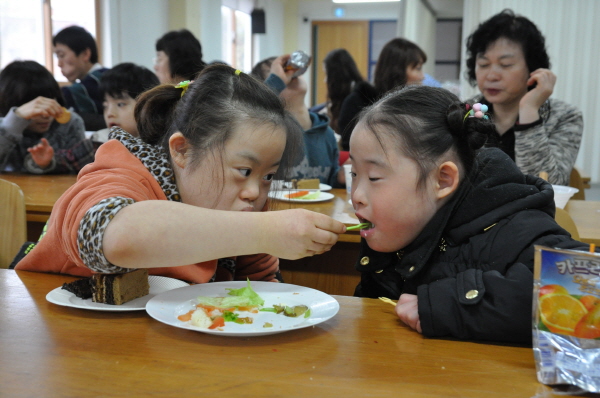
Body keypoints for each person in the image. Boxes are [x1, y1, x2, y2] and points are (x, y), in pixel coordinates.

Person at [16, 65, 346, 284]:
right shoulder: (123, 173)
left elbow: (262, 287)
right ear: (182, 150)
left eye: (268, 176)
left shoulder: (235, 207)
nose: (253, 192)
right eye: (243, 170)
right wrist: (262, 230)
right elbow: (113, 235)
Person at [348, 85, 590, 343]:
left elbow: (583, 289)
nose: (357, 195)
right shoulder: (399, 226)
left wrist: (449, 306)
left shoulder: (515, 227)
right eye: (353, 174)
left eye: (374, 177)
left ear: (442, 180)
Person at [465, 9, 583, 186]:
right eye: (483, 64)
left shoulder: (565, 116)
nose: (491, 76)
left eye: (505, 65)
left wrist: (529, 111)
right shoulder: (467, 111)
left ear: (533, 68)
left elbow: (549, 185)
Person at [24, 63, 160, 174]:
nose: (110, 113)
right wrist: (47, 161)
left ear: (148, 106)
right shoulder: (99, 142)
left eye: (120, 104)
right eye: (106, 106)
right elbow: (68, 160)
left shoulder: (162, 142)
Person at [253, 55, 344, 187]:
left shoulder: (326, 133)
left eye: (291, 70)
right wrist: (275, 82)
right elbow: (251, 111)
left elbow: (327, 184)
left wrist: (340, 177)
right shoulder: (267, 132)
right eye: (279, 73)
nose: (289, 75)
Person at [338, 38, 426, 151]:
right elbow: (350, 151)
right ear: (398, 70)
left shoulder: (414, 105)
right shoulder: (357, 102)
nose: (422, 76)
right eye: (418, 69)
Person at [0, 60, 85, 173]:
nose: (46, 115)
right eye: (35, 106)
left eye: (49, 101)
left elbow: (80, 169)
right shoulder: (4, 123)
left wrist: (48, 163)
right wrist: (16, 120)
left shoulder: (70, 123)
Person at [53, 25, 109, 131]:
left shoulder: (98, 81)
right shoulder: (108, 75)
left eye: (62, 55)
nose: (59, 64)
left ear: (85, 54)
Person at [322, 48, 364, 136]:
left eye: (327, 75)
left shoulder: (355, 100)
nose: (325, 80)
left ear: (336, 76)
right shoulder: (342, 98)